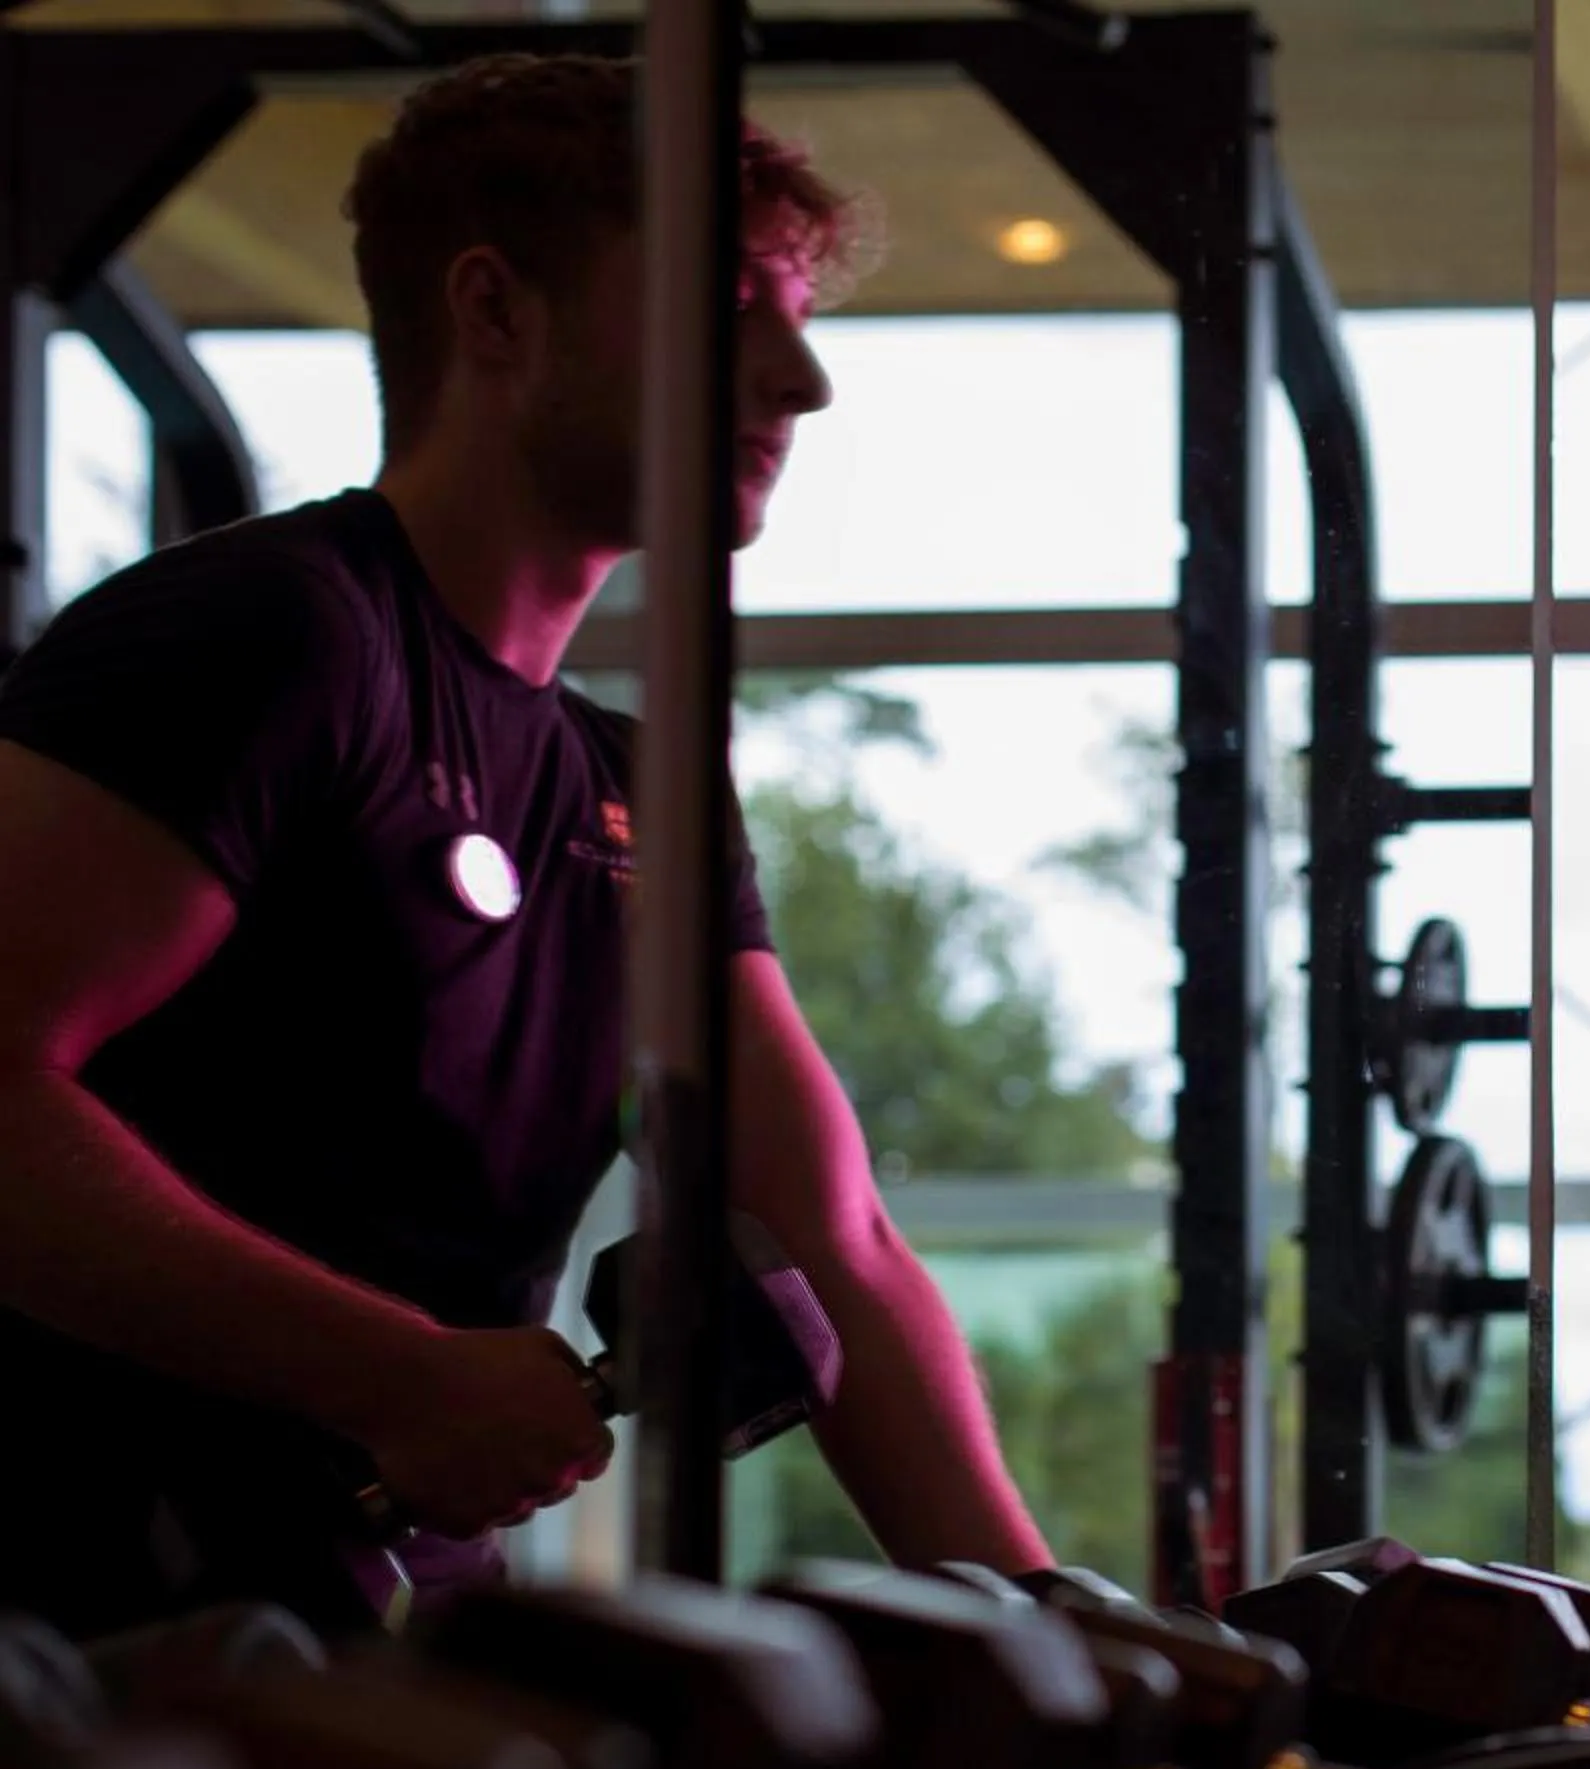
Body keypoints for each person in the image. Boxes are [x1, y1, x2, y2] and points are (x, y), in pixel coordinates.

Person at [0, 55, 1054, 1645]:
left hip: (373, 1652)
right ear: (496, 312)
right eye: (728, 305)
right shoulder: (273, 639)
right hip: (94, 1656)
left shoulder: (627, 781)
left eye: (796, 318)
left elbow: (833, 1240)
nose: (798, 381)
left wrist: (1065, 1642)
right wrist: (395, 1376)